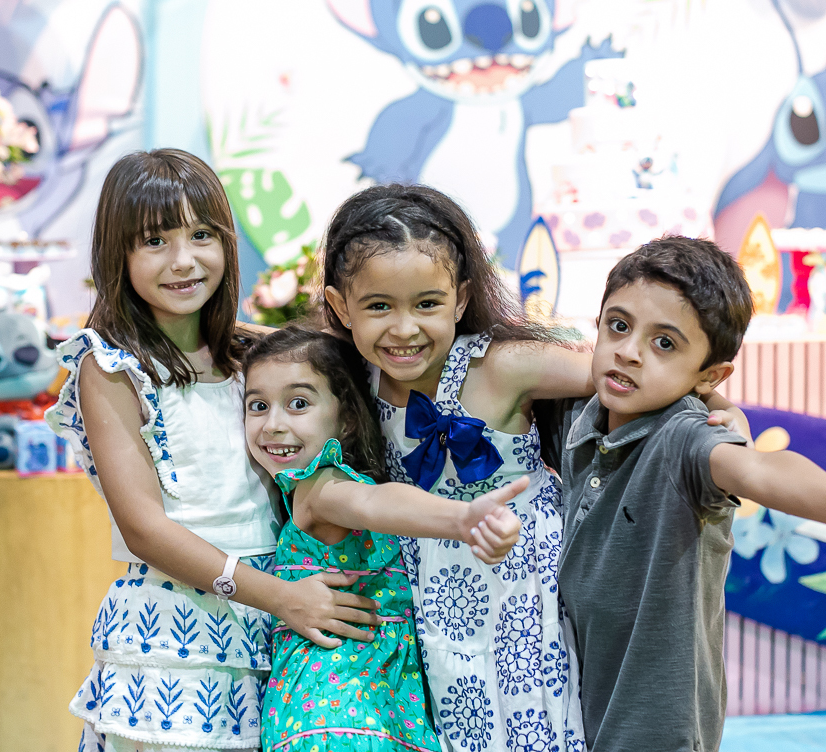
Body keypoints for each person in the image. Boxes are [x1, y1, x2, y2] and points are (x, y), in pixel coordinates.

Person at [318, 183, 745, 751]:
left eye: (426, 304)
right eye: (378, 307)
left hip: (526, 583)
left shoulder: (504, 366)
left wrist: (724, 408)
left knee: (537, 723)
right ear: (342, 306)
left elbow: (621, 375)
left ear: (461, 298)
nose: (403, 328)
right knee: (463, 721)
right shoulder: (353, 381)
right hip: (437, 588)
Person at [540, 235, 826, 752]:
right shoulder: (577, 414)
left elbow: (762, 470)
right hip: (571, 714)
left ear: (710, 375)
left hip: (654, 730)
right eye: (619, 326)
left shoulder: (684, 438)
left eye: (664, 343)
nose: (629, 352)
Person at [47, 149, 382, 752]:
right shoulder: (112, 367)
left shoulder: (253, 354)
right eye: (155, 240)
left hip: (279, 625)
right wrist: (282, 598)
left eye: (202, 235)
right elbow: (146, 529)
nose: (184, 260)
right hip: (180, 636)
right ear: (117, 254)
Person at [242, 326, 527, 751]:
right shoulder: (310, 488)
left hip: (346, 715)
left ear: (348, 418)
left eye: (298, 403)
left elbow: (371, 502)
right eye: (257, 405)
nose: (273, 424)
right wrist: (461, 518)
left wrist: (461, 519)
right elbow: (371, 502)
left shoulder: (320, 484)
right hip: (337, 718)